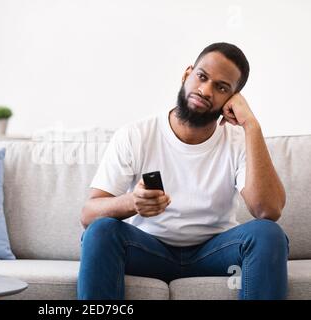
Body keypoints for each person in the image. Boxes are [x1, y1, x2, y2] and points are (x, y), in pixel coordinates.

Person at [77, 42, 289, 300]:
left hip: (213, 253)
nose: (205, 90)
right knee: (100, 231)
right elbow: (89, 214)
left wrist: (251, 125)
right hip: (146, 249)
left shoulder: (237, 141)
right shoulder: (135, 135)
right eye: (202, 77)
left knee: (267, 234)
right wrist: (132, 202)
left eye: (221, 87)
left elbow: (268, 210)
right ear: (187, 74)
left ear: (232, 100)